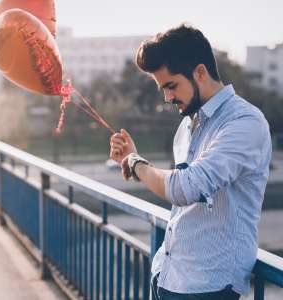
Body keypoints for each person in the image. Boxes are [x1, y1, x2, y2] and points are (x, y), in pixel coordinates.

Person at [109, 24, 272, 300]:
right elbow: (180, 185)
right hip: (168, 275)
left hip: (209, 287)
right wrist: (132, 160)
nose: (167, 97)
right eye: (162, 88)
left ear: (200, 72)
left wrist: (136, 163)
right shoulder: (187, 126)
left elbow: (186, 188)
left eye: (171, 86)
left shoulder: (244, 122)